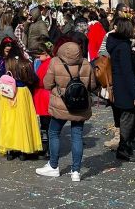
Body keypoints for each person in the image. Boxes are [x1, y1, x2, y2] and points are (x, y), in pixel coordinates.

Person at [36, 38, 95, 181]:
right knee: (77, 136)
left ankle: (53, 166)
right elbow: (92, 86)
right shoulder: (86, 63)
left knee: (54, 133)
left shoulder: (55, 62)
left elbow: (47, 84)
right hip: (80, 105)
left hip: (60, 104)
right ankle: (76, 172)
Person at [106, 17, 135, 162]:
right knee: (128, 118)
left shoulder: (114, 42)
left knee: (123, 117)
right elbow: (127, 72)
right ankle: (124, 148)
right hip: (125, 87)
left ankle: (125, 146)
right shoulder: (123, 46)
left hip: (117, 85)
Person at [0, 43, 40, 161]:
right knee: (23, 120)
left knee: (9, 121)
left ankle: (10, 150)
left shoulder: (6, 63)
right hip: (22, 93)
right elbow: (34, 79)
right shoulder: (26, 63)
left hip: (8, 94)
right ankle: (22, 151)